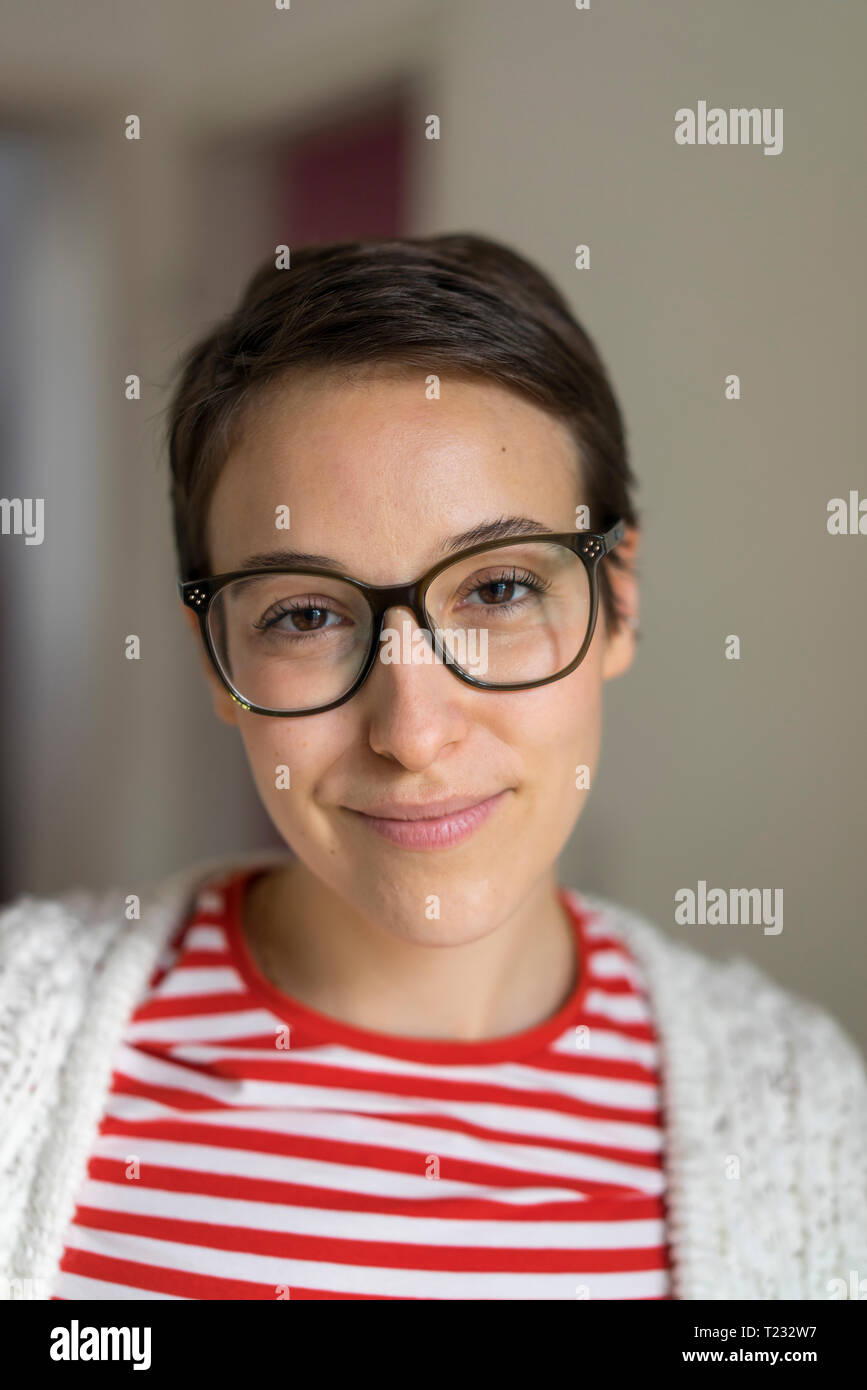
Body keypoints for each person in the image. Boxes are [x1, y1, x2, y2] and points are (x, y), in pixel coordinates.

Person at [1, 234, 864, 1302]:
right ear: (218, 663)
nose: (411, 730)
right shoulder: (12, 1043)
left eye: (497, 591)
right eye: (307, 614)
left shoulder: (808, 1117)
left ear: (619, 601)